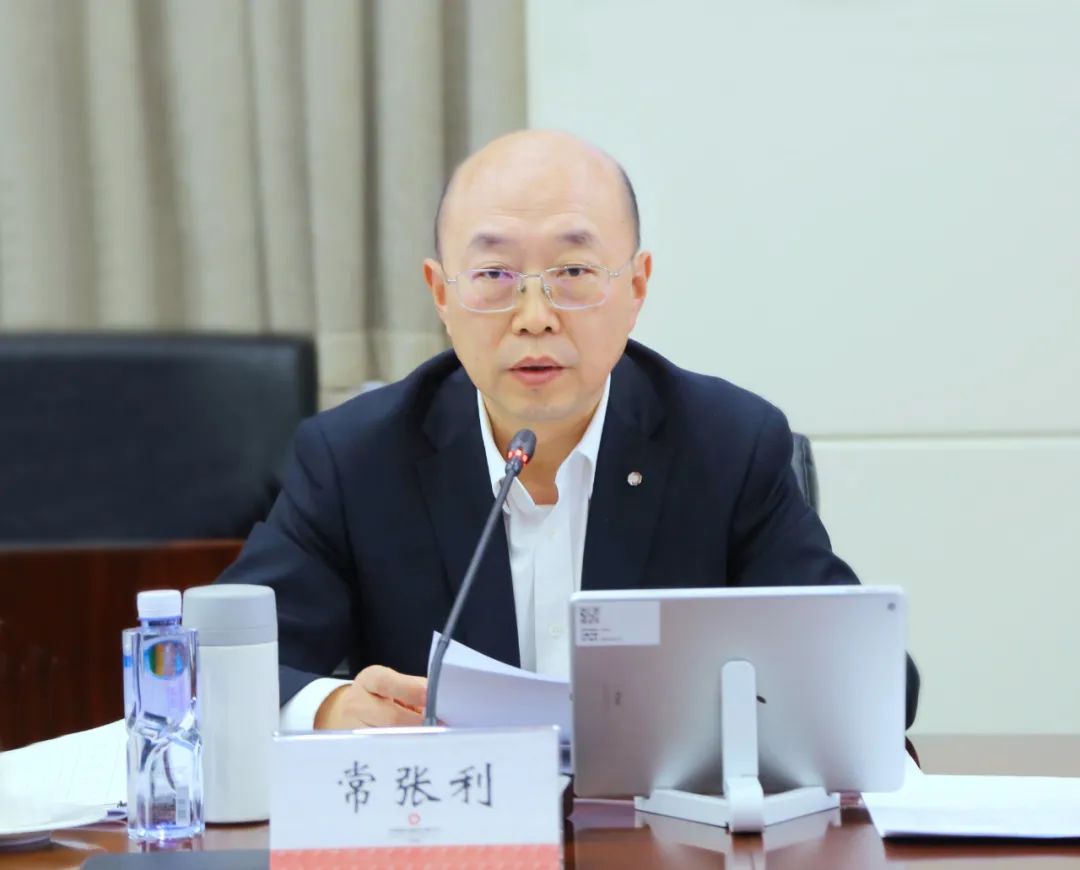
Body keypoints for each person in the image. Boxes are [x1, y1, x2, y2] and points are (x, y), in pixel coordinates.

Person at [217, 129, 919, 731]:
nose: (534, 316)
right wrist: (331, 707)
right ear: (441, 294)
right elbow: (218, 664)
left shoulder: (728, 446)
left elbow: (877, 683)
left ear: (636, 287)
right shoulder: (355, 459)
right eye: (494, 274)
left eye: (574, 271)